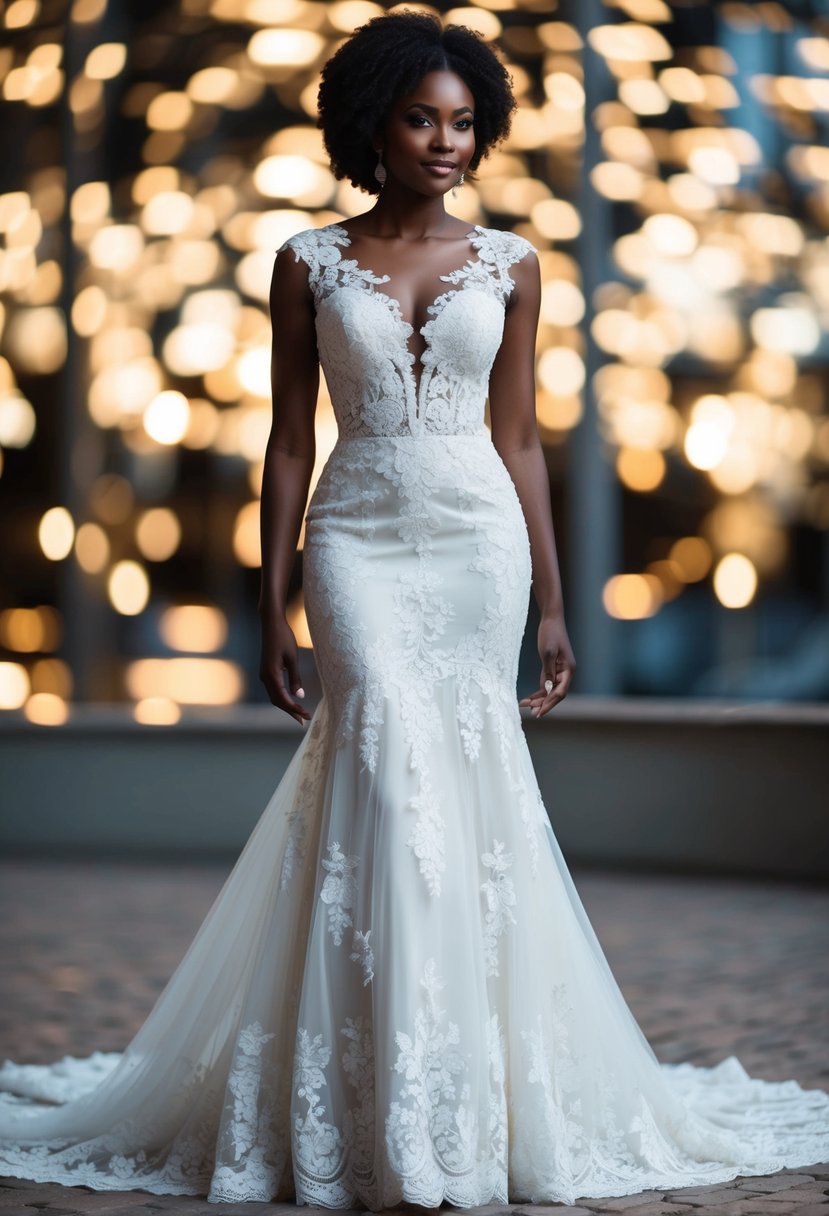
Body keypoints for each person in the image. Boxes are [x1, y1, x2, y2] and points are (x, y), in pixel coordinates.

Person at [1, 10, 827, 1212]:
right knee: (382, 757)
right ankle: (364, 1094)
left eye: (463, 121)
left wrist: (552, 598)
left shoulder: (512, 264)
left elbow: (521, 441)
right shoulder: (306, 262)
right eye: (421, 119)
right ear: (370, 127)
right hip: (355, 536)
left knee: (463, 785)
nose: (448, 141)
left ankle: (459, 1089)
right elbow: (286, 440)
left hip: (476, 542)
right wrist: (270, 593)